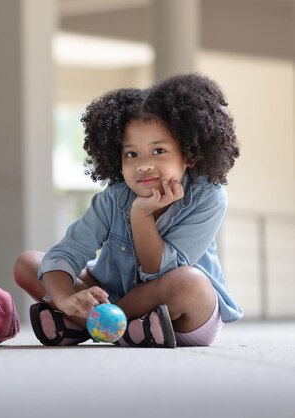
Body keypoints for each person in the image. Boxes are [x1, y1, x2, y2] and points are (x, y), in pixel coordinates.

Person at [14, 73, 243, 348]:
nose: (144, 165)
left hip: (179, 316)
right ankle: (112, 325)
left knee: (189, 282)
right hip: (116, 294)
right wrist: (65, 298)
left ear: (189, 155)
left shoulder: (209, 197)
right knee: (28, 264)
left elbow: (161, 274)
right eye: (132, 154)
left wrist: (141, 215)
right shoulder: (114, 197)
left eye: (158, 150)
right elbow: (67, 252)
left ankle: (92, 325)